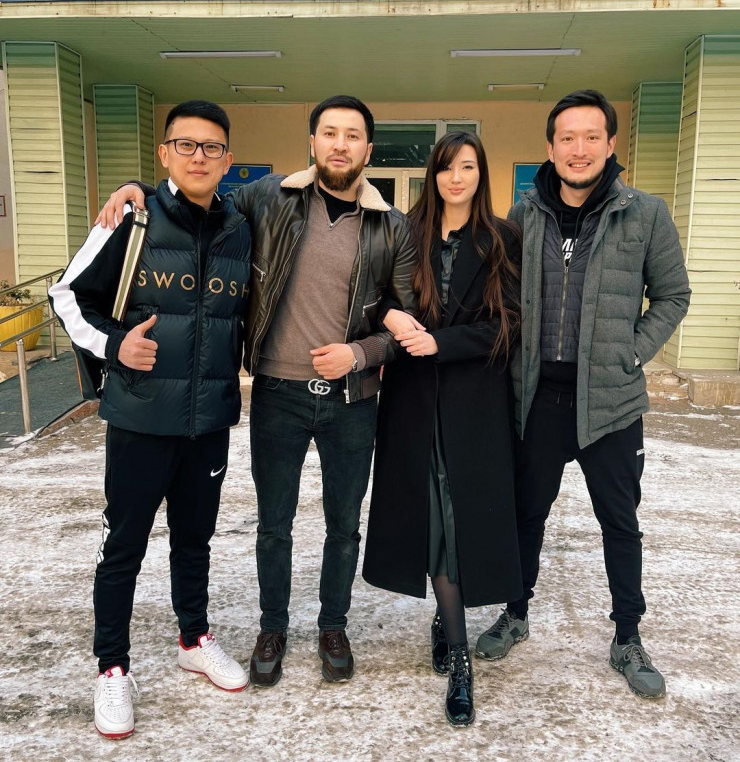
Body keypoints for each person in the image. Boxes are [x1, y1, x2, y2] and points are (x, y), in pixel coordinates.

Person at [98, 95, 417, 688]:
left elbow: (405, 316)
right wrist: (135, 188)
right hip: (278, 393)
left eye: (352, 135)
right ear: (312, 142)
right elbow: (197, 193)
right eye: (329, 132)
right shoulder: (269, 197)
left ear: (369, 150)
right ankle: (273, 626)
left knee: (344, 525)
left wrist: (359, 354)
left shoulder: (393, 227)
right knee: (274, 524)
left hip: (352, 399)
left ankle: (333, 625)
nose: (340, 144)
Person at [475, 89, 691, 699]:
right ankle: (515, 612)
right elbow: (501, 298)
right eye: (567, 137)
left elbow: (672, 295)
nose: (579, 148)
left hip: (611, 403)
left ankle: (628, 636)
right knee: (527, 515)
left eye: (591, 136)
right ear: (550, 148)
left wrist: (630, 352)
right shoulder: (523, 215)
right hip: (537, 399)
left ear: (610, 144)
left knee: (619, 521)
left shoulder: (645, 214)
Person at [49, 100, 251, 739]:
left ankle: (194, 639)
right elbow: (65, 295)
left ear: (227, 159)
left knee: (195, 540)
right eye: (185, 145)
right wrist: (115, 347)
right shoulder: (131, 219)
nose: (199, 156)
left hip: (207, 421)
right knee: (123, 548)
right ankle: (112, 667)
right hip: (139, 419)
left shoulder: (239, 226)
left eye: (211, 147)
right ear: (164, 153)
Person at [362, 132, 523, 727]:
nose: (457, 177)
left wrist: (442, 342)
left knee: (457, 519)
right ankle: (457, 648)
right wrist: (391, 315)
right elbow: (370, 296)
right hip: (411, 401)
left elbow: (510, 324)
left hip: (473, 403)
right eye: (447, 167)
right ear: (432, 174)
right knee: (432, 516)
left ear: (481, 174)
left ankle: (454, 646)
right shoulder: (404, 232)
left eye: (469, 167)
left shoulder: (502, 238)